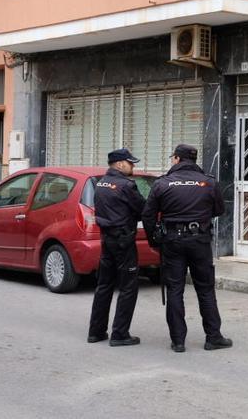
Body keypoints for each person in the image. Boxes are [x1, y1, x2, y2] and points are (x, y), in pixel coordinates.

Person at [142, 144, 231, 353]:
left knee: (175, 290)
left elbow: (147, 215)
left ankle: (178, 341)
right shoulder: (208, 182)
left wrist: (154, 240)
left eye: (172, 157)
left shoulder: (162, 184)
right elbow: (219, 209)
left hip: (172, 241)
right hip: (199, 240)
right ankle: (213, 337)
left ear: (177, 159)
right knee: (205, 289)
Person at [88, 148, 145, 347]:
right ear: (120, 164)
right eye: (131, 162)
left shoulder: (101, 182)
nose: (133, 166)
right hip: (123, 240)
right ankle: (120, 334)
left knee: (104, 285)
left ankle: (96, 331)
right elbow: (142, 209)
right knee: (129, 287)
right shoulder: (126, 185)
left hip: (107, 239)